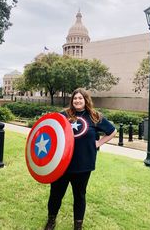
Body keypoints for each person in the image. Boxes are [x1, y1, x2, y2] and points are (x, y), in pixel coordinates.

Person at [44, 88, 116, 230]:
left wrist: (98, 143)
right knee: (56, 194)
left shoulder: (95, 116)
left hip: (83, 165)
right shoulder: (64, 115)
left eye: (80, 98)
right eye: (75, 98)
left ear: (86, 100)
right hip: (62, 164)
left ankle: (78, 225)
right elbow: (51, 130)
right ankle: (51, 221)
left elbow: (112, 131)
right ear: (72, 100)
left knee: (79, 196)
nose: (77, 100)